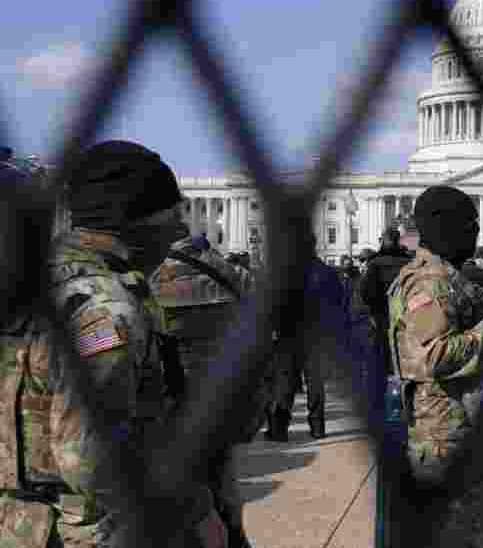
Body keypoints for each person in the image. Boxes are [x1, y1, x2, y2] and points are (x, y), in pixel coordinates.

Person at [0, 140, 226, 546]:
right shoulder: (105, 309)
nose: (179, 232)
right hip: (88, 530)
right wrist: (191, 510)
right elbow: (87, 457)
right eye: (172, 216)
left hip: (20, 524)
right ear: (138, 222)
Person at [387, 185, 483, 546]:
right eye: (469, 224)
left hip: (459, 429)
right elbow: (432, 355)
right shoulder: (432, 280)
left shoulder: (447, 275)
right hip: (445, 436)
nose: (475, 232)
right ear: (446, 227)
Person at [150, 232, 258, 547]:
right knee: (223, 478)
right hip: (225, 392)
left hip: (176, 395)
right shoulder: (230, 272)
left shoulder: (152, 277)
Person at [266, 235, 350, 441]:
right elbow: (340, 306)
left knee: (285, 383)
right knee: (316, 383)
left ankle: (279, 429)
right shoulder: (328, 273)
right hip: (318, 335)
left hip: (289, 334)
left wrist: (273, 329)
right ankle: (317, 427)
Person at [353, 227, 413, 421]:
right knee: (403, 370)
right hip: (406, 323)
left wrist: (376, 310)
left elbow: (366, 294)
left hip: (381, 322)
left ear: (383, 241)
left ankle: (381, 410)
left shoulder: (376, 264)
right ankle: (401, 408)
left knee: (380, 369)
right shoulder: (409, 262)